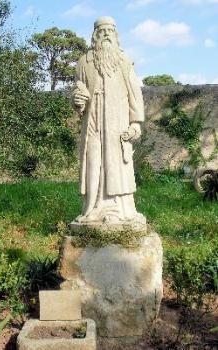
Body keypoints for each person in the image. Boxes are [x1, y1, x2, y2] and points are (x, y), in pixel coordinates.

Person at [71, 16, 145, 224]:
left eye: (109, 31)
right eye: (101, 31)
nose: (105, 35)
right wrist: (77, 100)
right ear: (94, 35)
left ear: (116, 35)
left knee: (116, 163)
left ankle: (120, 211)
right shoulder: (84, 62)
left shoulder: (124, 61)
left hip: (117, 121)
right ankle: (92, 208)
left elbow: (134, 94)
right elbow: (79, 90)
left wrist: (135, 123)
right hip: (93, 119)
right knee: (93, 160)